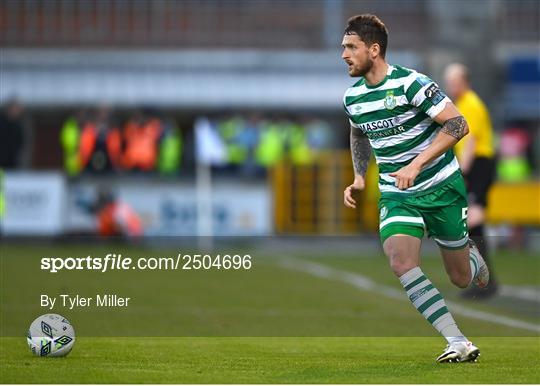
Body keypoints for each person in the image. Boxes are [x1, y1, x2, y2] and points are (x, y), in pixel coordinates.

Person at [341, 14, 489, 363]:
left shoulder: (411, 83)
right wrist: (360, 176)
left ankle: (470, 256)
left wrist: (417, 163)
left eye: (351, 47)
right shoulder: (353, 97)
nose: (344, 55)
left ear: (373, 50)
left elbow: (458, 123)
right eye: (343, 48)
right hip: (396, 192)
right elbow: (358, 132)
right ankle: (458, 342)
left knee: (460, 279)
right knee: (400, 261)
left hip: (441, 186)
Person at [444, 63, 498, 298]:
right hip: (474, 167)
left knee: (473, 222)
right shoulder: (463, 104)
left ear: (464, 80)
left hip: (478, 166)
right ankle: (484, 281)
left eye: (454, 81)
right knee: (472, 224)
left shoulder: (471, 104)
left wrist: (463, 174)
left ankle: (485, 282)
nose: (451, 86)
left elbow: (472, 143)